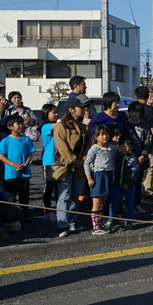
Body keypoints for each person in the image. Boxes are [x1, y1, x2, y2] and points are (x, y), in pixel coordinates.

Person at [53, 95, 91, 237]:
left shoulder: (84, 127)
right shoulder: (61, 126)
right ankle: (62, 224)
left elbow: (89, 146)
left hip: (80, 167)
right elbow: (61, 146)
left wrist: (84, 160)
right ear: (71, 110)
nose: (83, 110)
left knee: (77, 195)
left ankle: (73, 221)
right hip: (65, 166)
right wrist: (73, 159)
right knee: (64, 195)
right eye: (80, 108)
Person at [0, 114, 36, 217]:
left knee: (24, 195)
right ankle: (12, 214)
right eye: (17, 124)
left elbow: (30, 154)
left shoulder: (26, 140)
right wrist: (13, 164)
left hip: (24, 173)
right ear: (10, 127)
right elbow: (1, 156)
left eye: (21, 123)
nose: (20, 126)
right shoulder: (5, 141)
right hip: (10, 173)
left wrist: (25, 165)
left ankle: (24, 213)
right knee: (11, 195)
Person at [84, 124, 115, 236]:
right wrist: (89, 178)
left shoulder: (110, 148)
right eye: (102, 134)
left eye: (106, 134)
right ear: (96, 136)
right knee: (96, 201)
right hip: (98, 175)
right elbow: (87, 163)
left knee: (103, 202)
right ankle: (95, 226)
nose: (105, 137)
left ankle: (101, 223)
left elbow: (112, 163)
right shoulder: (95, 148)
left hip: (108, 174)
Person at [133, 86, 153, 201]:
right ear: (147, 96)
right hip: (147, 143)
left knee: (136, 170)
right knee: (150, 167)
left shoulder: (133, 107)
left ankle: (136, 193)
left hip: (134, 144)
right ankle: (147, 191)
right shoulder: (149, 109)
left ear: (135, 96)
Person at [115, 135, 142, 229]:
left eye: (127, 146)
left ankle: (129, 222)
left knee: (129, 204)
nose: (124, 148)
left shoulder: (134, 158)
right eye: (122, 146)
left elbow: (135, 173)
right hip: (117, 184)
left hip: (130, 185)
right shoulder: (117, 156)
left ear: (131, 147)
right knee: (114, 203)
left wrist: (128, 183)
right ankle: (111, 220)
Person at [38, 103, 59, 221]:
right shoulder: (46, 127)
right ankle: (47, 211)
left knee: (58, 188)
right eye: (53, 112)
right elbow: (57, 126)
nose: (56, 114)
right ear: (46, 114)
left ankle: (56, 210)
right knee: (48, 187)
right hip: (49, 161)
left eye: (57, 112)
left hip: (59, 161)